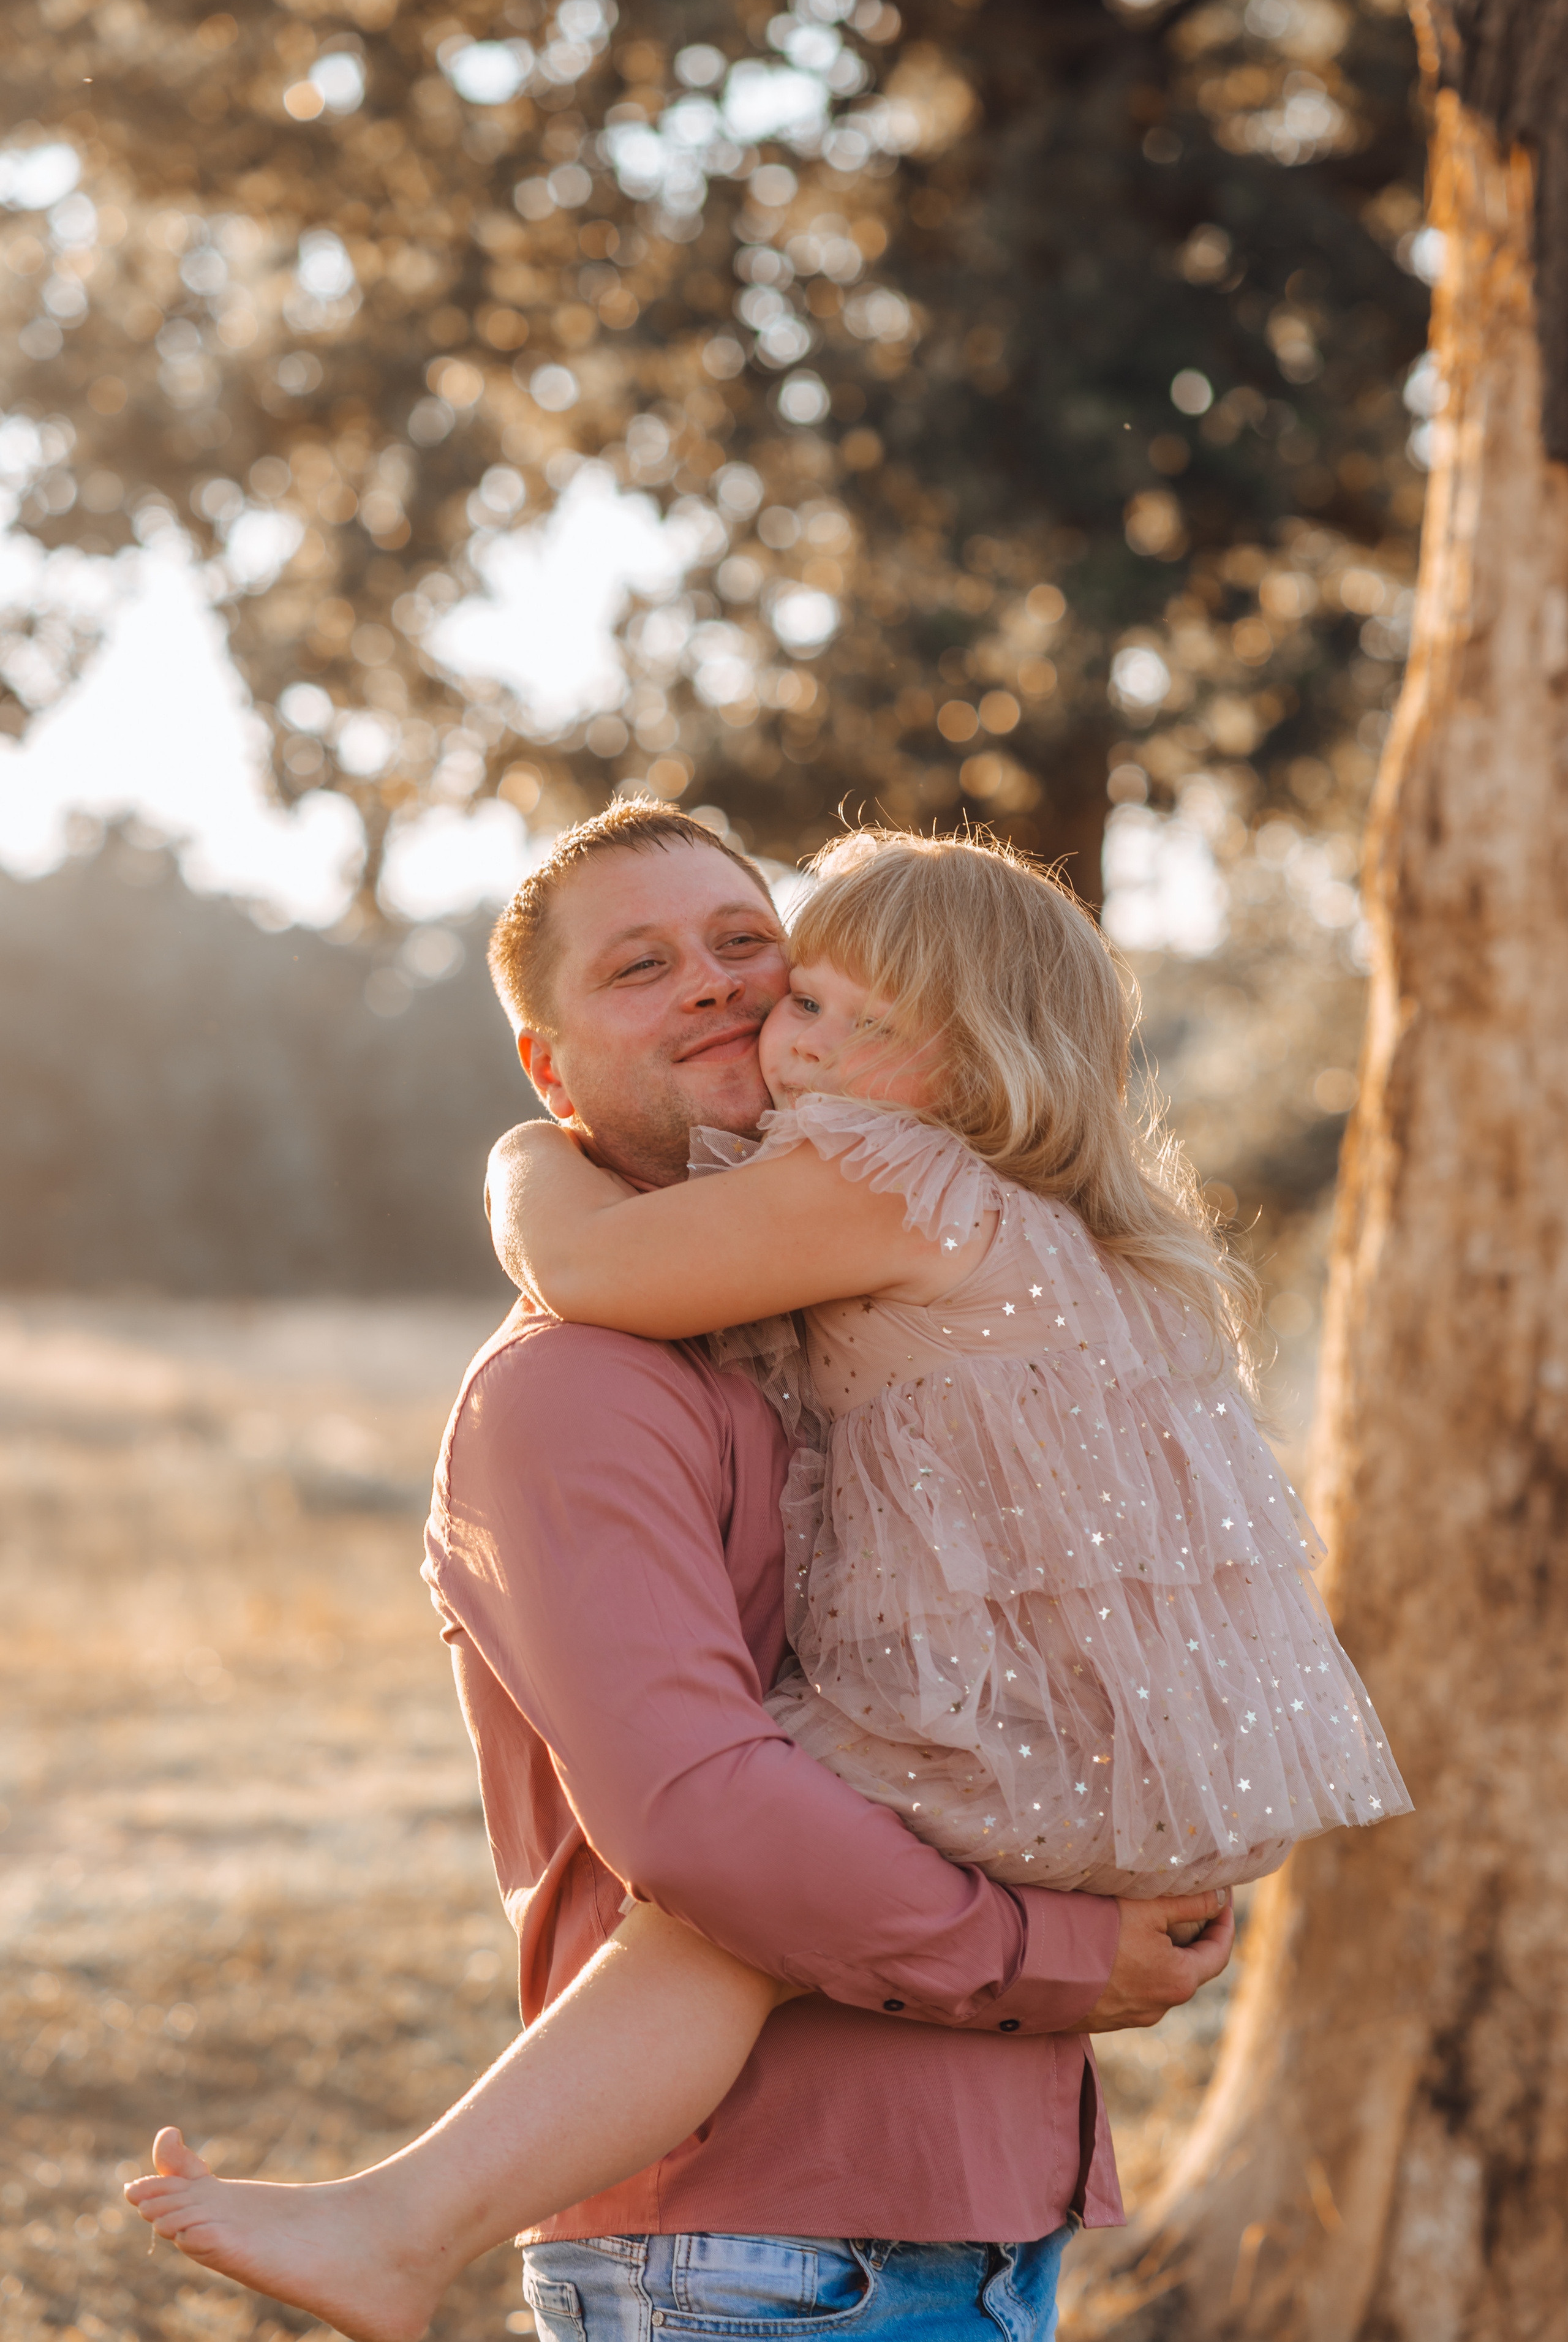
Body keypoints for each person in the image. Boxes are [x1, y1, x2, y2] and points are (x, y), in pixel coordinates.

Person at [125, 804, 1237, 2342]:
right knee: (719, 1898)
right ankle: (406, 2222)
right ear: (551, 1065)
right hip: (755, 2258)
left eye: (742, 944)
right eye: (640, 967)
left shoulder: (860, 1321)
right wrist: (1055, 1952)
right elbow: (702, 1823)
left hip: (978, 2225)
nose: (715, 985)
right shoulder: (582, 1386)